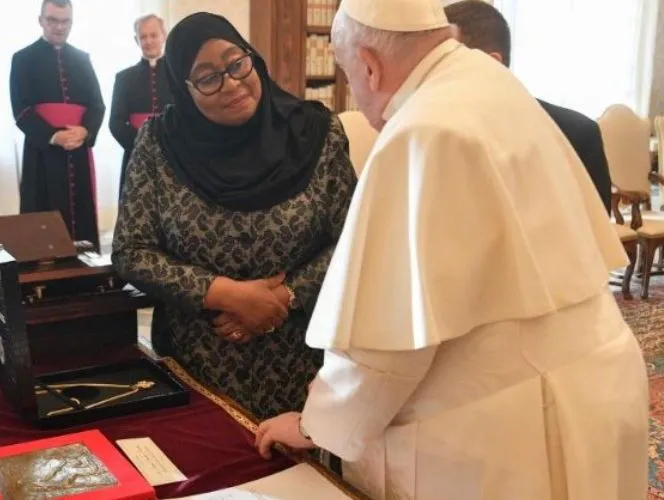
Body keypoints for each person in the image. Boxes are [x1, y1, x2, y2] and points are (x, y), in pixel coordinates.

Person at [255, 0, 649, 499]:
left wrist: (316, 424)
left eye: (349, 74)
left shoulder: (421, 130)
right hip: (600, 380)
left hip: (511, 425)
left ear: (370, 66)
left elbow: (388, 349)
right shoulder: (491, 82)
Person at [111, 13, 357, 420]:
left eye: (236, 64)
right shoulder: (157, 144)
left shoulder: (316, 132)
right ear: (185, 88)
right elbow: (131, 251)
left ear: (252, 57)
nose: (231, 83)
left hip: (302, 358)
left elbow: (353, 239)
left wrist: (283, 298)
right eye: (208, 78)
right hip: (197, 361)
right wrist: (228, 295)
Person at [444, 0, 612, 213]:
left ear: (491, 63)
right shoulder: (431, 134)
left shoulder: (576, 135)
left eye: (444, 64)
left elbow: (595, 228)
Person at [10, 0, 105, 248]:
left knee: (82, 220)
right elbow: (21, 110)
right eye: (53, 20)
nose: (60, 27)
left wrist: (85, 131)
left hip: (78, 149)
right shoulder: (23, 59)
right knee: (41, 215)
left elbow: (97, 105)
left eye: (65, 22)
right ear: (41, 21)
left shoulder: (82, 59)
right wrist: (53, 136)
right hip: (42, 152)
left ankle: (85, 268)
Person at [110, 14, 174, 198]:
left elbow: (188, 116)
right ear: (136, 40)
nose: (148, 41)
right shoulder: (124, 78)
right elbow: (116, 123)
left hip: (173, 156)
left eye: (153, 35)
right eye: (143, 36)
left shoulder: (177, 73)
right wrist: (141, 146)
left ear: (164, 35)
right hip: (136, 155)